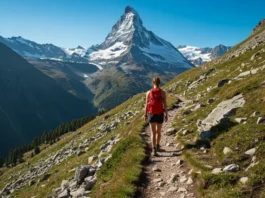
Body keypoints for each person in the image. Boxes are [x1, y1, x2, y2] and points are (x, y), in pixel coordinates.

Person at [144, 77, 168, 156]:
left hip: (151, 114)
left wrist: (145, 114)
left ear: (152, 83)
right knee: (158, 131)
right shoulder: (163, 92)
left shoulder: (148, 92)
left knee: (153, 132)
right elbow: (165, 105)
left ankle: (153, 149)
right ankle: (158, 146)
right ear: (159, 83)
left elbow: (146, 105)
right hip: (160, 114)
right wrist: (166, 114)